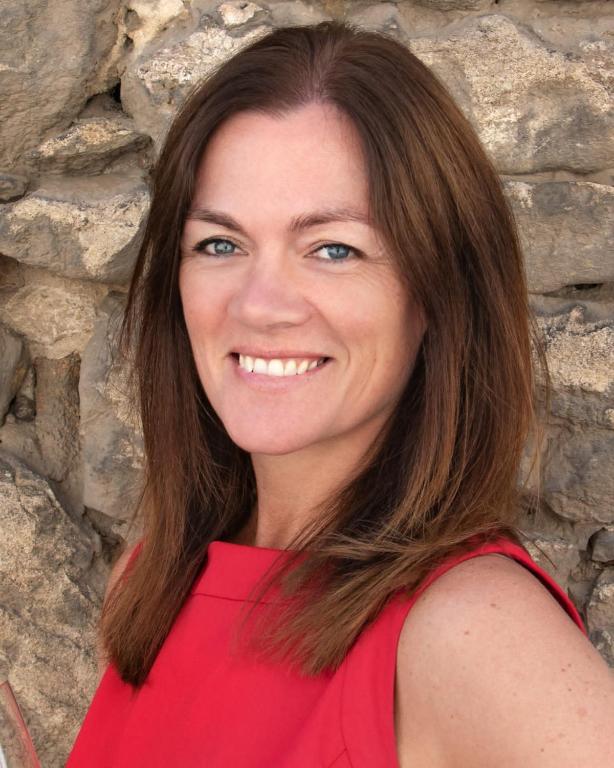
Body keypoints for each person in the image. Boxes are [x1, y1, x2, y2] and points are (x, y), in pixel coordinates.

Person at [66, 20, 614, 767]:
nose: (260, 305)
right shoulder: (155, 580)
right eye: (220, 244)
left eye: (333, 249)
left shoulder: (470, 635)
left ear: (436, 295)